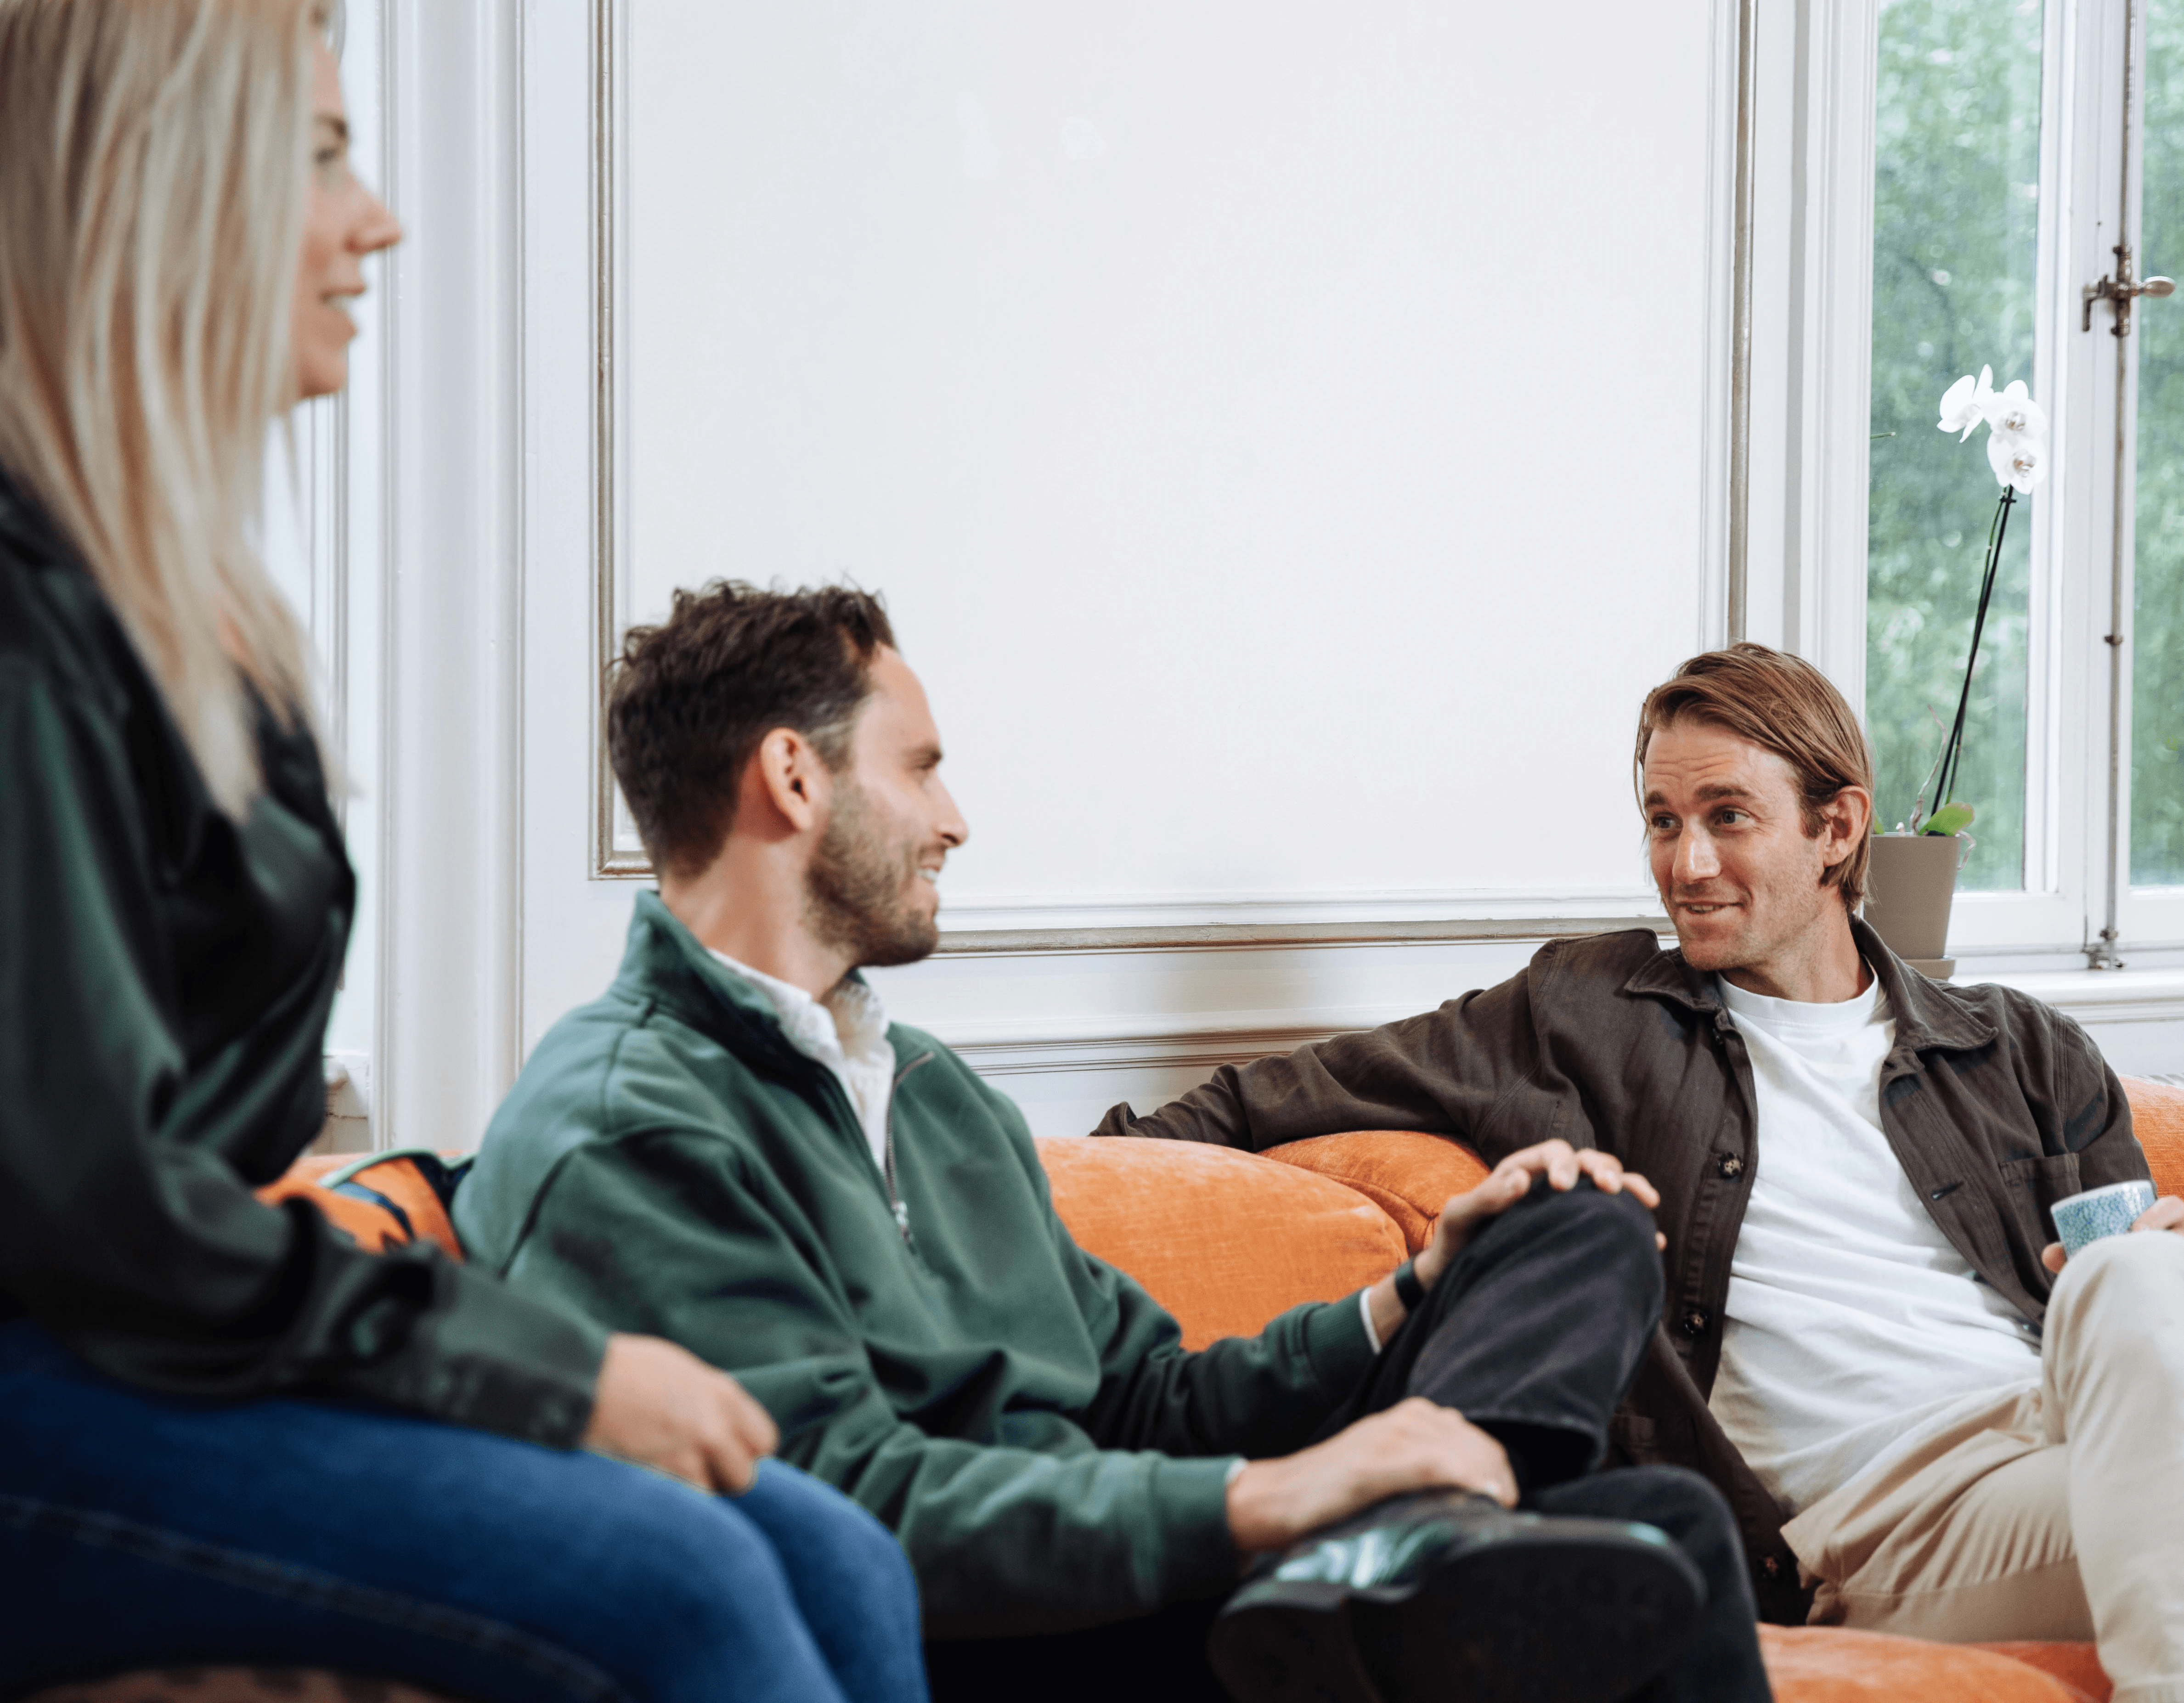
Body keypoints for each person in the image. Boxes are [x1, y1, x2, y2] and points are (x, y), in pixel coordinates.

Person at [0, 6, 925, 1698]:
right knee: (689, 1582)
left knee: (838, 1553)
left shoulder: (177, 606)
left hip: (137, 1341)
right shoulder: (23, 614)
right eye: (324, 153)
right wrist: (552, 1368)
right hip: (51, 1367)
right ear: (154, 184)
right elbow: (105, 1210)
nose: (383, 218)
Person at [454, 581, 1775, 1703]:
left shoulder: (919, 1088)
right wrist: (1260, 1503)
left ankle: (1406, 1547)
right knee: (1660, 1533)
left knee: (1579, 1243)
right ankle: (1381, 1559)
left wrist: (1411, 1293)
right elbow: (846, 1510)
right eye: (919, 766)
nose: (954, 817)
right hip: (1002, 1629)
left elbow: (1146, 1392)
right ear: (794, 777)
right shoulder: (632, 1119)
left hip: (1153, 1554)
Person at [1096, 642, 2184, 1699]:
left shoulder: (2019, 1047)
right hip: (1886, 1518)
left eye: (1727, 817)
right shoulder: (1588, 1008)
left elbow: (2126, 1284)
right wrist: (1035, 1190)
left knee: (2139, 1278)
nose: (1685, 864)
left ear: (1836, 828)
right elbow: (1265, 1098)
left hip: (2071, 1431)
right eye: (1662, 823)